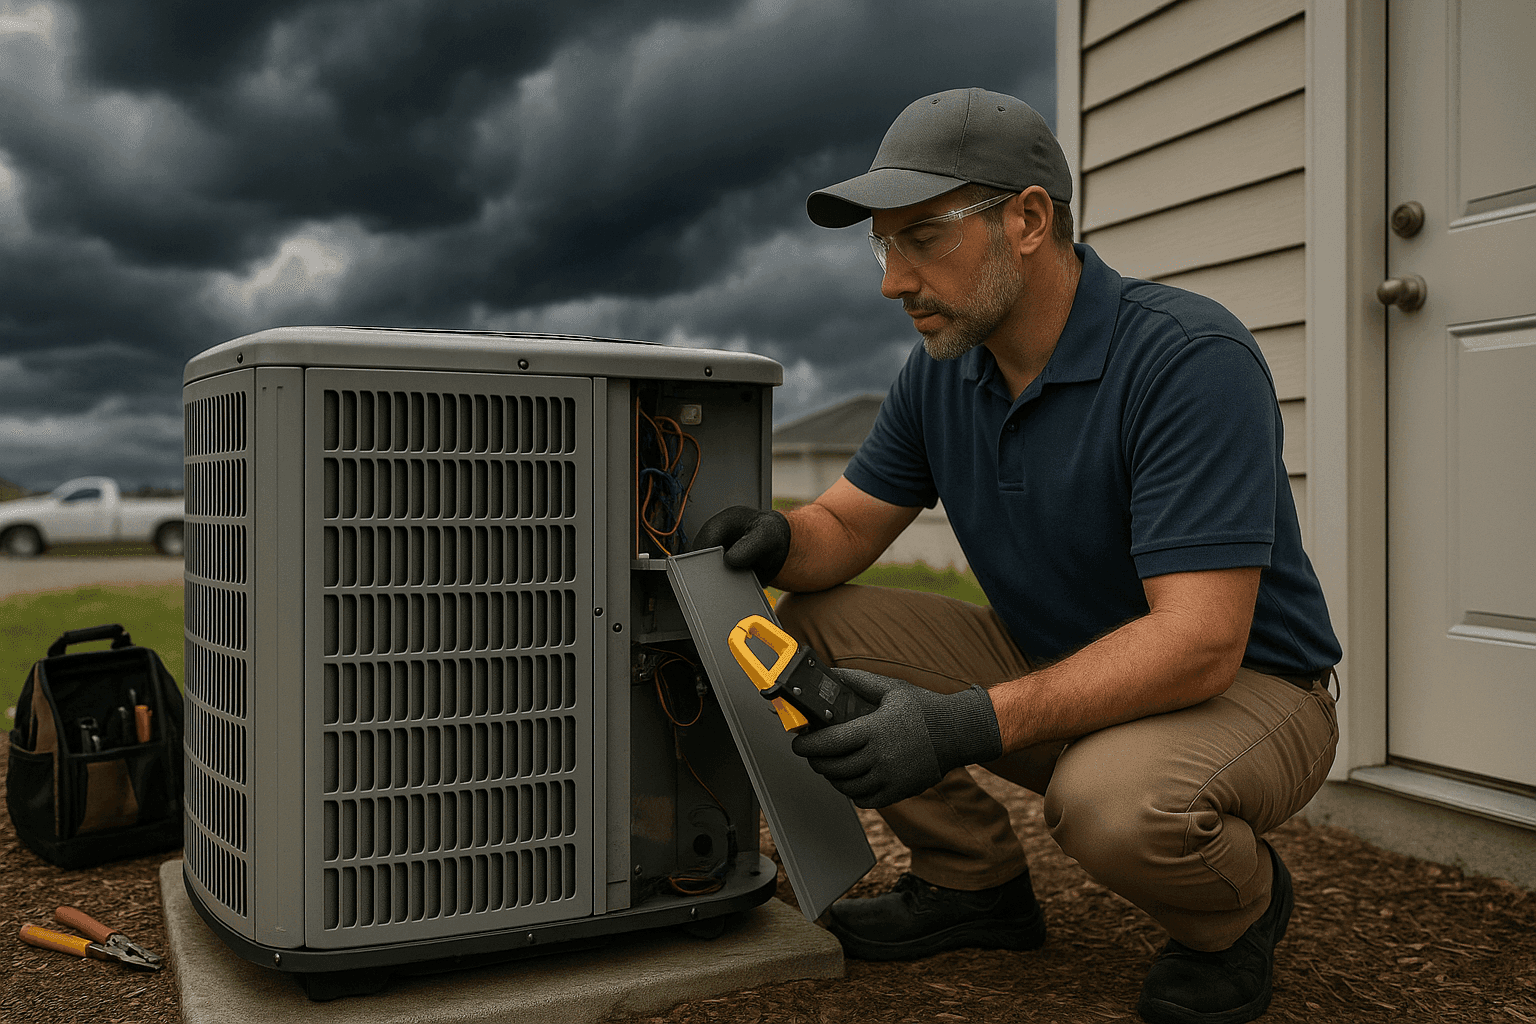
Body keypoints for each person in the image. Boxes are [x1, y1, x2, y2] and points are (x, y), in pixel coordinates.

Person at [693, 87, 1341, 1024]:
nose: (891, 281)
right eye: (883, 245)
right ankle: (974, 886)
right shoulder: (943, 371)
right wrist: (782, 537)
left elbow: (1200, 642)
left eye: (923, 238)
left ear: (1029, 220)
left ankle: (1235, 917)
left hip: (1251, 689)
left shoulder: (1187, 359)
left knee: (1111, 805)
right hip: (1058, 663)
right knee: (815, 626)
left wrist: (958, 725)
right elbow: (844, 530)